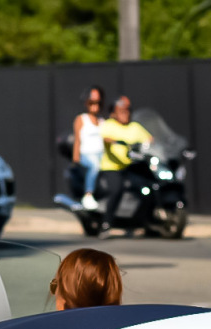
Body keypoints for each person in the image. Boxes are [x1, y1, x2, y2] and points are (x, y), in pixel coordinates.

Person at [98, 96, 152, 231]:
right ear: (114, 113)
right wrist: (116, 141)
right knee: (117, 189)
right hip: (112, 167)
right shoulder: (109, 124)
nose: (125, 113)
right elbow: (106, 138)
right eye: (122, 111)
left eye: (127, 111)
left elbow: (150, 139)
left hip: (130, 167)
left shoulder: (134, 126)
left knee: (148, 188)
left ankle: (143, 221)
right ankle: (107, 223)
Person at [49, 248, 122, 310]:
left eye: (55, 286)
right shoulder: (126, 324)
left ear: (68, 293)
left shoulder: (54, 326)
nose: (55, 294)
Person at [71, 87, 104, 210]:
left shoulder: (102, 121)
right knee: (94, 165)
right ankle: (88, 195)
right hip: (87, 154)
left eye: (97, 103)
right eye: (92, 102)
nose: (95, 105)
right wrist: (75, 158)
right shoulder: (81, 119)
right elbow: (77, 139)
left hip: (101, 154)